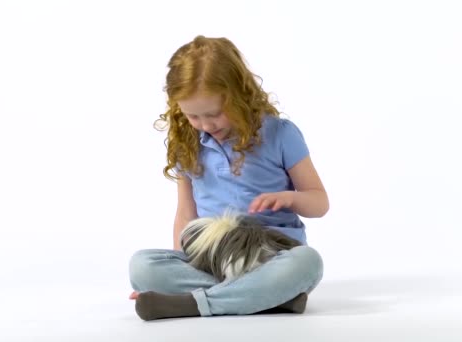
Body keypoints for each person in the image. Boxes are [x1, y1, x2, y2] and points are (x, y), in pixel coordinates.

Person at [128, 35, 329, 321]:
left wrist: (290, 198)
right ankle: (265, 297)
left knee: (308, 263)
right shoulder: (188, 143)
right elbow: (186, 214)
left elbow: (319, 204)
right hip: (213, 256)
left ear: (239, 95)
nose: (206, 125)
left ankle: (194, 303)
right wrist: (181, 260)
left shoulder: (280, 134)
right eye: (193, 117)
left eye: (214, 114)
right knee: (141, 266)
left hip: (270, 256)